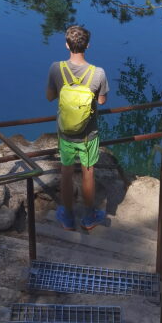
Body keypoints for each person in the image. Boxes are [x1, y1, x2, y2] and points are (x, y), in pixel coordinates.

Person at [46, 24, 109, 232]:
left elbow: (49, 96)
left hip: (65, 134)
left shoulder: (56, 68)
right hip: (88, 135)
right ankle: (89, 217)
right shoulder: (98, 73)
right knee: (88, 173)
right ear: (87, 46)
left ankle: (68, 217)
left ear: (67, 45)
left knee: (66, 172)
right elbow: (101, 102)